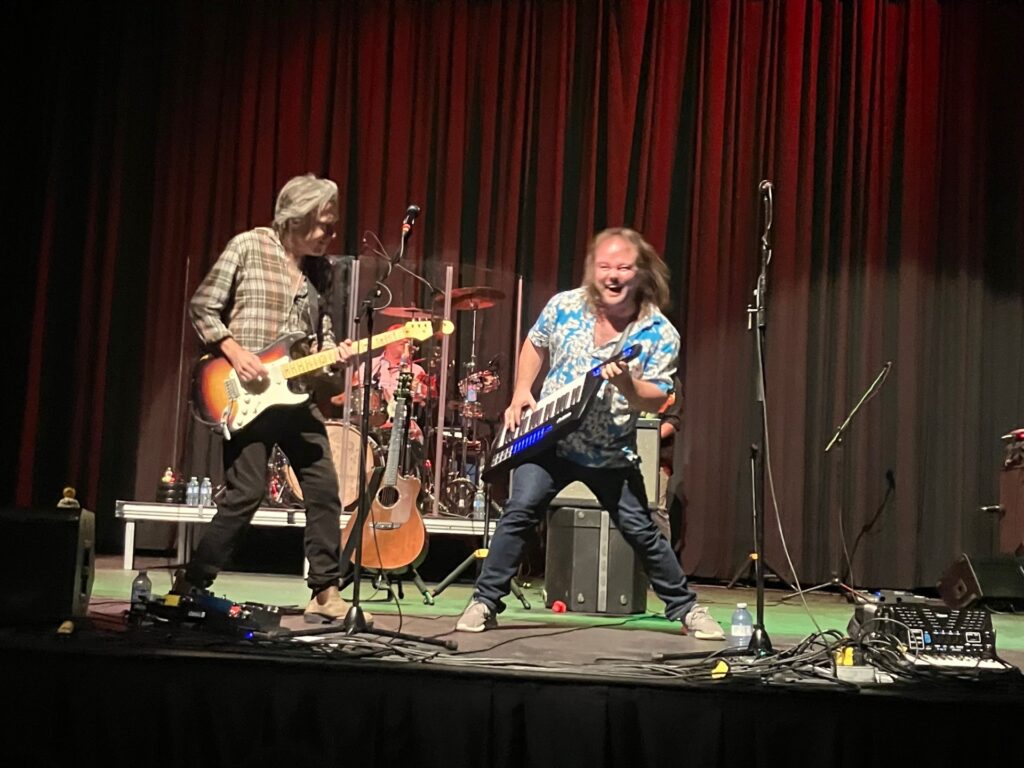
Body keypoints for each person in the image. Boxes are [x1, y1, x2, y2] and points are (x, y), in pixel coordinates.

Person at [455, 227, 723, 640]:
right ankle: (485, 602)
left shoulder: (659, 332)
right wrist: (522, 389)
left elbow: (658, 398)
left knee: (640, 528)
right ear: (592, 269)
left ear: (641, 272)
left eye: (623, 267)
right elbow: (535, 343)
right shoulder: (564, 306)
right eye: (604, 266)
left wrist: (628, 385)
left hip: (608, 449)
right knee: (520, 509)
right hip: (550, 440)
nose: (612, 275)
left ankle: (687, 609)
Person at [175, 173, 368, 625]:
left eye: (332, 225)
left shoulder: (321, 271)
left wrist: (335, 356)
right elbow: (203, 305)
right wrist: (234, 350)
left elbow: (320, 335)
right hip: (246, 395)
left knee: (325, 490)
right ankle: (191, 583)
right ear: (295, 219)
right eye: (323, 225)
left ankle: (325, 591)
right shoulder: (247, 247)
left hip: (296, 395)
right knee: (245, 493)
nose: (330, 234)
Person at [652, 374, 683, 542]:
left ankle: (662, 557)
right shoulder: (631, 376)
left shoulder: (671, 382)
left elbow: (672, 421)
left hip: (657, 459)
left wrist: (647, 438)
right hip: (623, 456)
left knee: (656, 510)